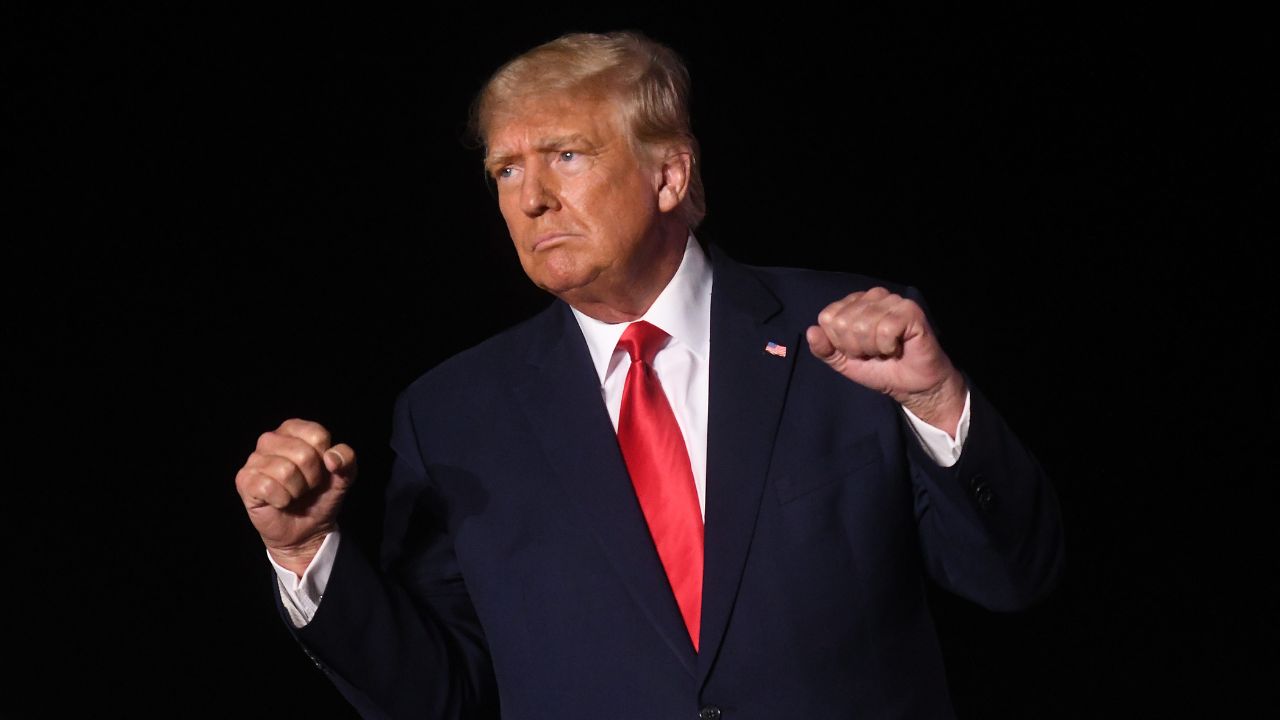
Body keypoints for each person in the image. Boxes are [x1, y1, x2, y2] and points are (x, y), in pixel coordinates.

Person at [235, 30, 1063, 719]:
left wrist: (935, 400)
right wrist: (306, 554)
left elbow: (1012, 577)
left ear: (669, 175)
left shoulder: (851, 338)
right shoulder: (453, 414)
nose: (531, 199)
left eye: (565, 155)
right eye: (506, 170)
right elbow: (441, 694)